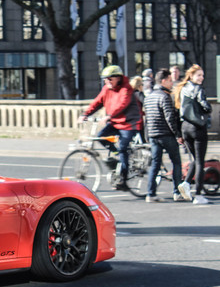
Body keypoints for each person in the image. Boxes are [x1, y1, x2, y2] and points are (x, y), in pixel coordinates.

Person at [79, 65, 141, 190]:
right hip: (114, 121)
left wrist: (109, 116)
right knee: (100, 137)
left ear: (118, 78)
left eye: (109, 79)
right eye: (105, 79)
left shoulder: (126, 88)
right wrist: (85, 114)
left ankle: (123, 180)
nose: (107, 81)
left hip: (128, 123)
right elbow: (97, 102)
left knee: (123, 147)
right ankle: (116, 154)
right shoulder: (106, 89)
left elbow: (122, 104)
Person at [174, 64, 213, 204]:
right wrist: (208, 109)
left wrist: (178, 133)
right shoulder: (198, 89)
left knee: (194, 160)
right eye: (199, 75)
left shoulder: (182, 89)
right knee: (200, 161)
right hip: (197, 127)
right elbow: (204, 105)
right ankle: (198, 195)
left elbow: (178, 111)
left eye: (202, 75)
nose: (201, 78)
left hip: (185, 128)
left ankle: (186, 184)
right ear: (191, 76)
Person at [143, 69, 184, 202]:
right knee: (176, 162)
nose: (172, 83)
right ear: (164, 81)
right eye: (170, 80)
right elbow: (169, 118)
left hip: (153, 135)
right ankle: (177, 192)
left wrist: (147, 136)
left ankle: (151, 193)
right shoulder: (164, 96)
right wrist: (177, 134)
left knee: (155, 164)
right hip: (166, 134)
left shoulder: (149, 97)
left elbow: (146, 119)